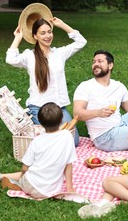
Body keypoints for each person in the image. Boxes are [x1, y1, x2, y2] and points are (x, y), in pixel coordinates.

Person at [6, 8, 87, 147]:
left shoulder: (59, 53)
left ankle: (46, 137)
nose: (47, 36)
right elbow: (10, 59)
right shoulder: (29, 56)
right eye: (42, 33)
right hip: (39, 107)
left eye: (49, 32)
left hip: (58, 108)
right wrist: (17, 38)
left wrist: (62, 25)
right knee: (53, 141)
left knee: (73, 141)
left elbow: (81, 42)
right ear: (35, 36)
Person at [0, 102, 77, 199]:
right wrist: (70, 188)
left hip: (32, 186)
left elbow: (25, 167)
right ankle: (2, 176)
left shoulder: (37, 141)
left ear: (40, 122)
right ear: (61, 119)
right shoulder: (67, 136)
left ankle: (12, 181)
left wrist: (23, 175)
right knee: (30, 175)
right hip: (50, 192)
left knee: (27, 176)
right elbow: (69, 164)